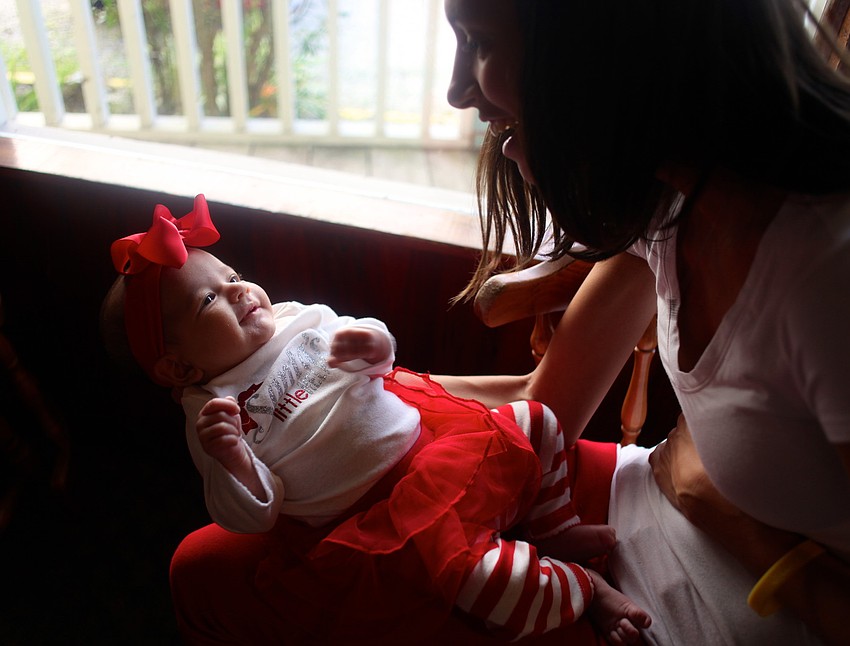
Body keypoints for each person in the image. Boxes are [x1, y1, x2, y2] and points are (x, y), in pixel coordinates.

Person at [431, 0, 850, 644]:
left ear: (601, 50)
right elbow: (541, 407)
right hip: (636, 519)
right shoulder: (671, 202)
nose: (460, 91)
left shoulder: (825, 275)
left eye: (479, 42)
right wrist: (349, 381)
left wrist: (746, 532)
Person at [101, 194, 651, 645]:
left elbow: (379, 361)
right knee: (488, 587)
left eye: (234, 275)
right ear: (179, 365)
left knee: (537, 422)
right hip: (388, 522)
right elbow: (253, 514)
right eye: (209, 302)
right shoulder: (213, 410)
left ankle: (556, 530)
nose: (241, 291)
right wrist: (232, 461)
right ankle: (586, 587)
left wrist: (373, 342)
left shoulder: (295, 319)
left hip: (437, 449)